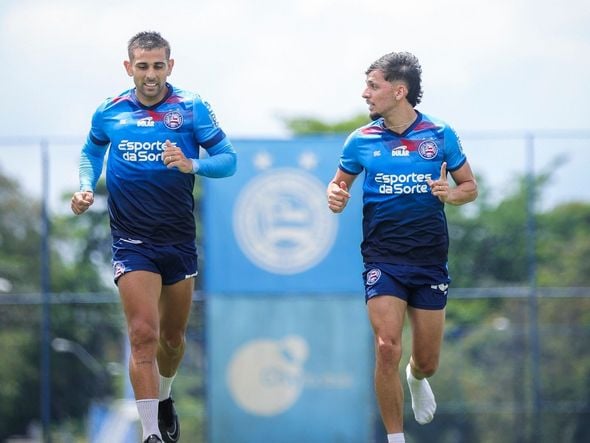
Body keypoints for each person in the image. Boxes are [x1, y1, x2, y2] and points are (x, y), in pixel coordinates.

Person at [71, 31, 237, 443]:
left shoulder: (191, 107)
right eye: (142, 66)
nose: (150, 74)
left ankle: (164, 398)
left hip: (178, 240)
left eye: (158, 65)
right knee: (143, 333)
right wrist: (85, 186)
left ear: (170, 66)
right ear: (129, 67)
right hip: (131, 240)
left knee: (173, 339)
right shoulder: (109, 111)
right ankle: (151, 435)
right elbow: (90, 154)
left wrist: (191, 165)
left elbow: (228, 161)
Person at [326, 52, 477, 443]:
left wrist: (451, 194)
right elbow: (339, 183)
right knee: (386, 346)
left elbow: (470, 187)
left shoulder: (440, 134)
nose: (365, 94)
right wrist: (335, 194)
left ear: (399, 91)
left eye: (373, 86)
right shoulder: (361, 140)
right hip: (383, 260)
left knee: (426, 362)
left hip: (428, 262)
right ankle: (396, 439)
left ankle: (416, 377)